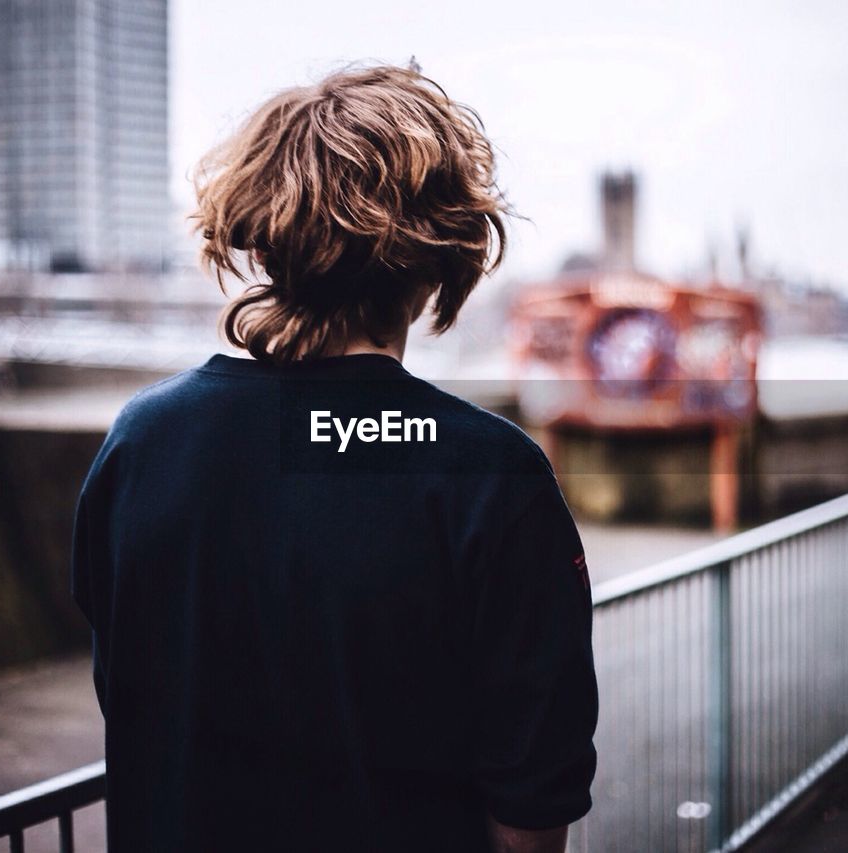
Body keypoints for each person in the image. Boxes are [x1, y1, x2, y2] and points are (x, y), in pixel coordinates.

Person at [71, 63, 598, 852]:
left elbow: (131, 696)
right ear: (438, 260)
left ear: (266, 232)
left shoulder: (143, 442)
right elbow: (531, 805)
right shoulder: (489, 477)